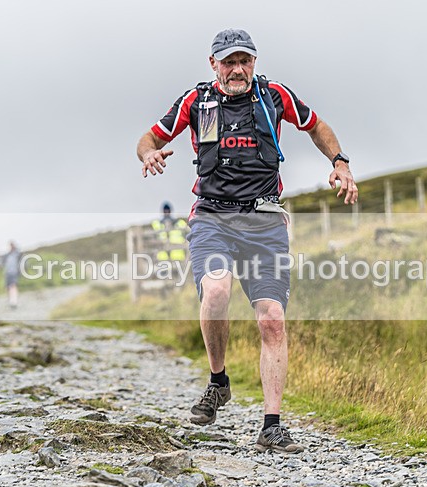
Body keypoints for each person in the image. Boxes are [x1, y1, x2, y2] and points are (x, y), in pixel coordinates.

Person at [136, 29, 357, 454]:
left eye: (245, 60)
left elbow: (317, 125)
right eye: (229, 61)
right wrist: (148, 153)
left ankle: (272, 426)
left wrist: (340, 162)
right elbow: (149, 138)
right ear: (213, 64)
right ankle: (218, 381)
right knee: (216, 291)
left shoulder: (274, 96)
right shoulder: (194, 103)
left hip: (265, 219)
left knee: (272, 318)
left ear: (254, 62)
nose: (238, 69)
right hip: (213, 217)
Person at [1, 241, 22, 309]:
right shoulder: (7, 255)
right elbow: (2, 263)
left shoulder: (18, 254)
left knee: (13, 286)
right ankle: (10, 301)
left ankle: (14, 302)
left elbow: (23, 263)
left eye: (12, 245)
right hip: (7, 273)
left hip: (14, 273)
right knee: (8, 287)